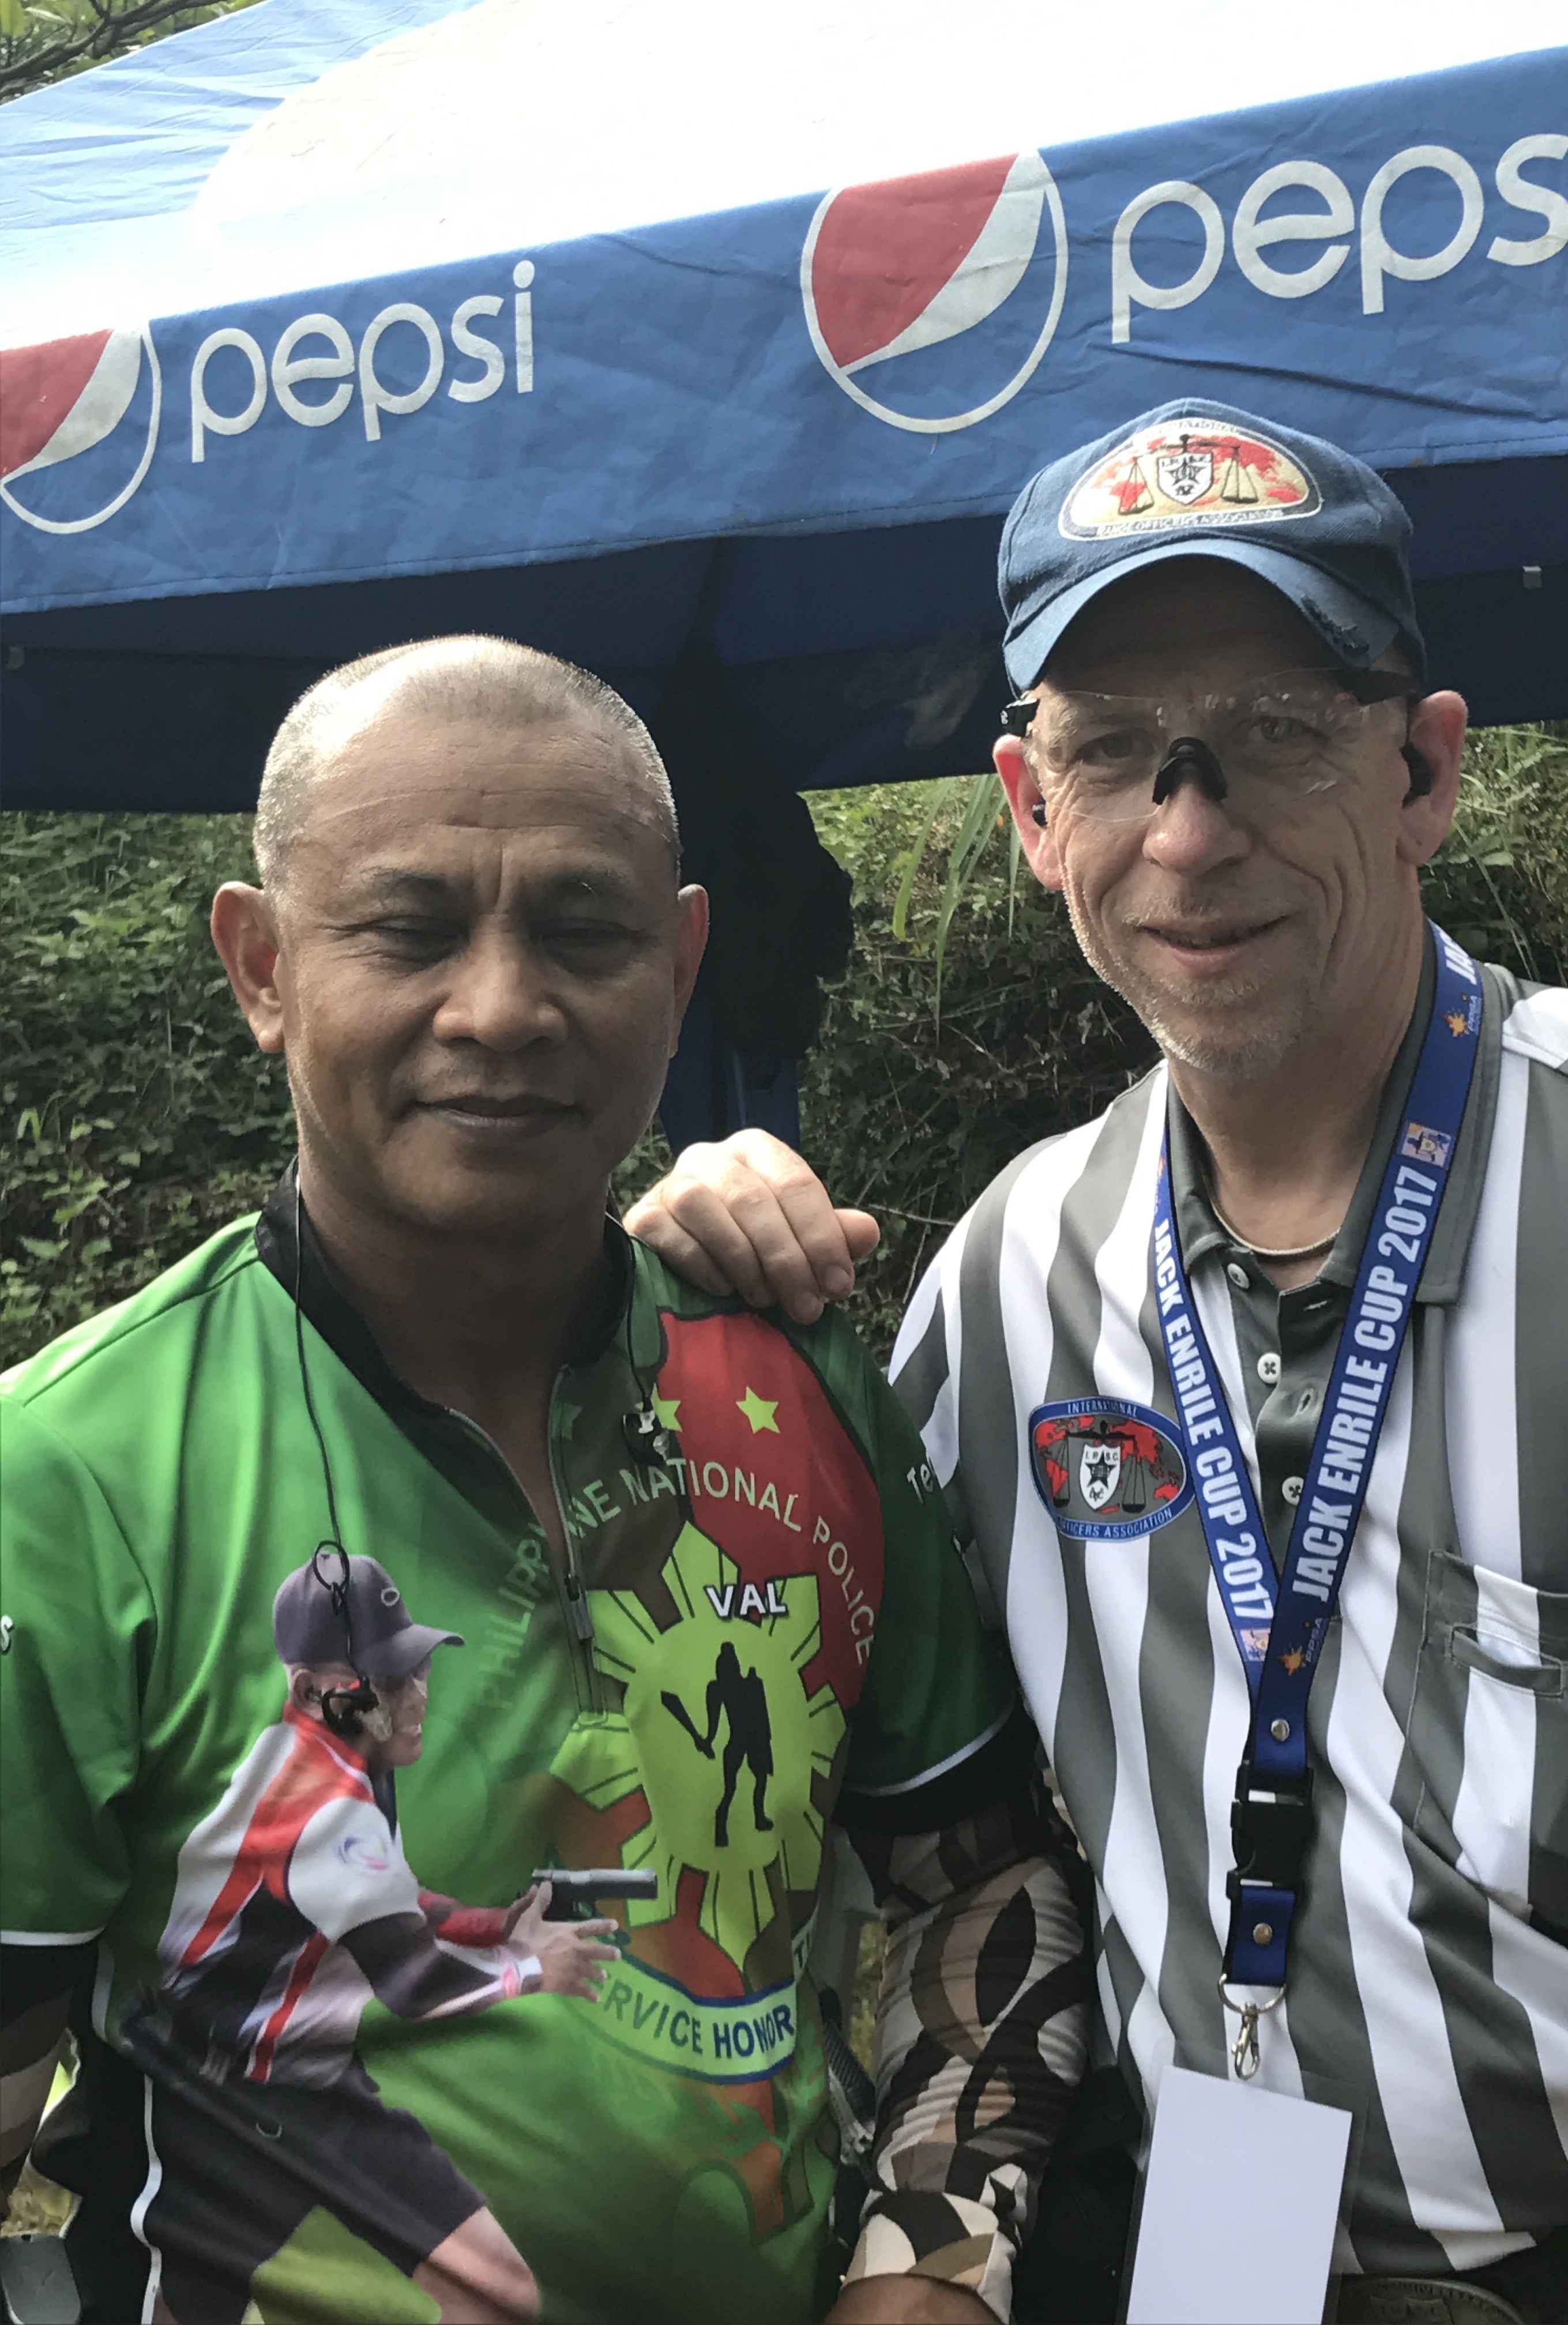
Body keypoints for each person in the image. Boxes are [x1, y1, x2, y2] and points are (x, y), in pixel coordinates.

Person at [626, 400, 1568, 2325]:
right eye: (1114, 753)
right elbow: (816, 1749)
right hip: (1222, 2244)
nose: (1192, 830)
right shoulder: (1001, 1283)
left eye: (1280, 735)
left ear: (1424, 769)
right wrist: (661, 1307)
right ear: (1028, 808)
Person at [0, 637, 1089, 2325]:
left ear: (682, 965)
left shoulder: (802, 1390)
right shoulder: (70, 1475)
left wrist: (935, 2264)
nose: (502, 1008)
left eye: (584, 932)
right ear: (263, 965)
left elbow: (987, 1881)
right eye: (411, 929)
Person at [123, 1550, 616, 2325]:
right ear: (307, 1691)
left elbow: (393, 1898)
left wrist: (497, 1924)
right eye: (386, 1678)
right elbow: (413, 1983)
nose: (416, 1693)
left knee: (501, 2293)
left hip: (307, 2079)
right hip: (229, 2098)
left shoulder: (322, 1755)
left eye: (416, 1665)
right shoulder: (329, 1806)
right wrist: (531, 1966)